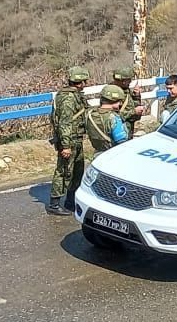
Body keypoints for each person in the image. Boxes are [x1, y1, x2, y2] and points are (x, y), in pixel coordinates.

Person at [48, 66, 89, 215]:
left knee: (77, 172)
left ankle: (70, 202)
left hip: (76, 139)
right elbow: (65, 122)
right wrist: (65, 145)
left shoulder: (75, 95)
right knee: (64, 171)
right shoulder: (68, 98)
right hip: (69, 140)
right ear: (80, 81)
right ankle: (54, 204)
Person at [85, 85, 130, 154]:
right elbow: (121, 140)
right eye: (119, 101)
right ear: (115, 101)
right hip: (113, 154)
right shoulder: (113, 117)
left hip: (97, 153)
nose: (120, 104)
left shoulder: (90, 114)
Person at [112, 66, 146, 137]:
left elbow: (131, 106)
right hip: (119, 132)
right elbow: (113, 117)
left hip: (128, 129)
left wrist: (136, 96)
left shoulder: (125, 90)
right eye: (129, 80)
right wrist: (134, 111)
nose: (130, 82)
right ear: (123, 81)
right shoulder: (112, 93)